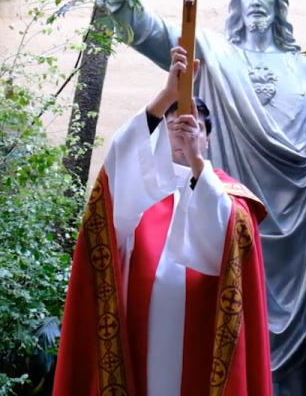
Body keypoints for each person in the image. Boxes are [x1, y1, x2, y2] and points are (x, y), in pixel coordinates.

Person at [70, 0, 306, 395]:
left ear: (280, 5)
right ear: (237, 2)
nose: (257, 1)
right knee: (214, 334)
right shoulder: (210, 53)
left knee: (296, 356)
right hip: (219, 223)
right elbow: (141, 27)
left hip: (298, 233)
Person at [53, 45, 273, 396]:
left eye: (194, 127)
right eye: (174, 126)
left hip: (204, 347)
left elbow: (225, 240)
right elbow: (119, 161)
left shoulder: (229, 197)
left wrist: (197, 164)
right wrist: (168, 94)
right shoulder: (140, 192)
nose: (183, 133)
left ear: (208, 138)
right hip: (138, 344)